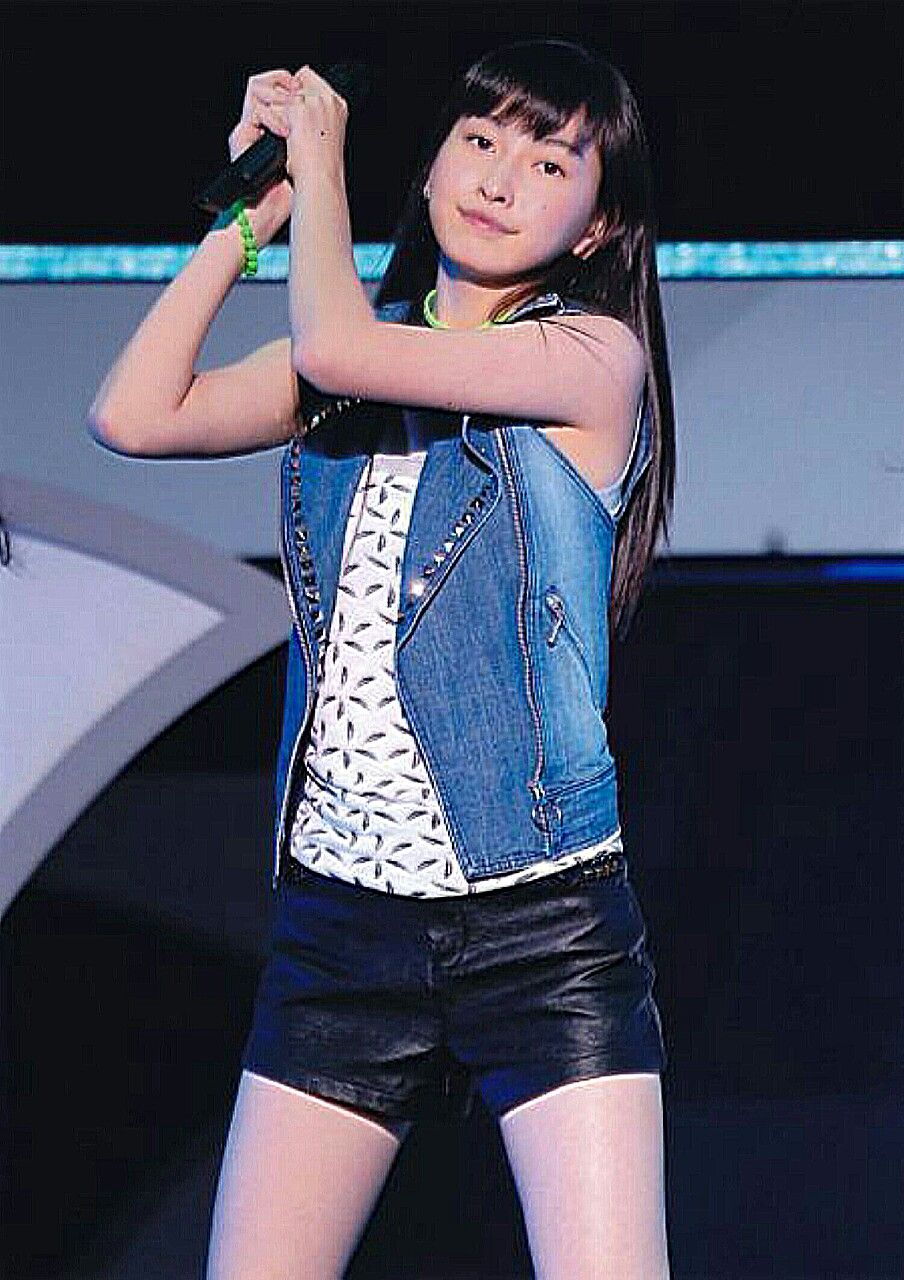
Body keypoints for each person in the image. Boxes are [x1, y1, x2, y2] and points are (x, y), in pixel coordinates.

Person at [90, 36, 676, 1280]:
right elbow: (134, 414)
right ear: (431, 168)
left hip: (542, 926)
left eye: (548, 160)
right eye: (479, 139)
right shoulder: (345, 365)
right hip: (340, 928)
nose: (499, 177)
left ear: (595, 225)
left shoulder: (587, 357)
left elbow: (336, 348)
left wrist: (323, 164)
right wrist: (252, 218)